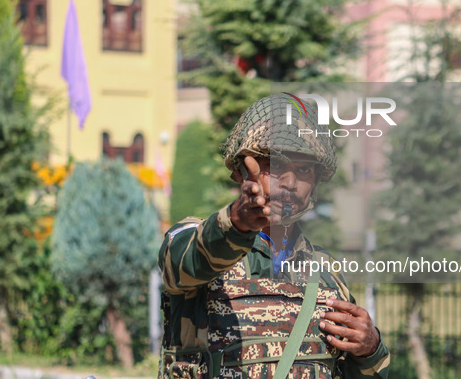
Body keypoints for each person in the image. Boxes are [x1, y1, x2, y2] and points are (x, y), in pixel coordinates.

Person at [158, 94, 390, 378]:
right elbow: (187, 263)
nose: (290, 183)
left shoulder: (327, 272)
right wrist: (236, 223)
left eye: (304, 169)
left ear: (316, 182)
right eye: (275, 165)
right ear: (241, 170)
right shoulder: (193, 237)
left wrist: (369, 349)